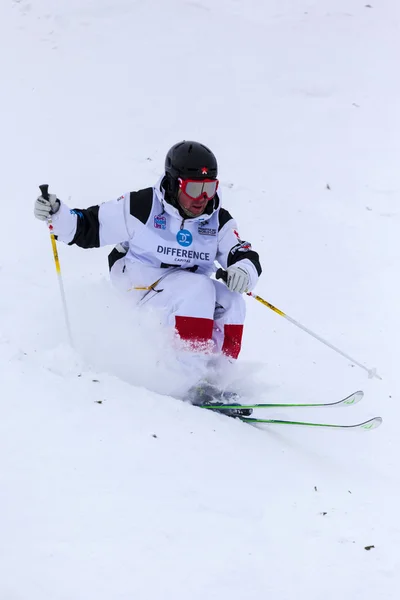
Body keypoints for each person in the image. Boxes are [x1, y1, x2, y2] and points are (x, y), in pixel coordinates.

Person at [34, 141, 262, 415]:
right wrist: (57, 215)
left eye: (209, 187)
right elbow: (88, 226)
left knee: (230, 300)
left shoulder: (216, 219)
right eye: (193, 188)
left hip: (183, 290)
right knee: (198, 289)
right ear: (175, 183)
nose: (202, 197)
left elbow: (242, 253)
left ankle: (218, 380)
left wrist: (243, 271)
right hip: (139, 285)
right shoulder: (142, 207)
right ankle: (188, 381)